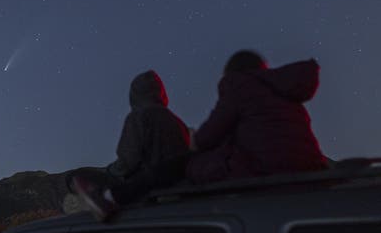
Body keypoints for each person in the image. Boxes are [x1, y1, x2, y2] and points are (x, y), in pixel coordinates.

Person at [187, 50, 328, 183]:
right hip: (309, 166)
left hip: (266, 168)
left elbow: (210, 134)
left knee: (197, 166)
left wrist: (193, 140)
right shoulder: (284, 92)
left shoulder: (239, 85)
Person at [72, 70, 190, 221]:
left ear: (134, 94)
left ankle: (103, 201)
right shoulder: (177, 122)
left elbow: (128, 160)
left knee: (79, 177)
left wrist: (109, 173)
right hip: (177, 188)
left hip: (145, 190)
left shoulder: (139, 116)